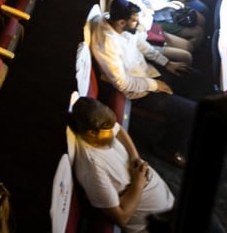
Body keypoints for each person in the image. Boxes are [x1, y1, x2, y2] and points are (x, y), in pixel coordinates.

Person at [90, 0, 194, 162]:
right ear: (121, 22)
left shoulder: (118, 23)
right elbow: (122, 83)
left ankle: (177, 122)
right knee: (191, 111)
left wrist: (166, 63)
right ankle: (167, 148)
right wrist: (155, 85)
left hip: (145, 72)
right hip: (136, 91)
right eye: (135, 20)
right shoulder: (107, 43)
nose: (138, 24)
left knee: (192, 76)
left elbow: (141, 44)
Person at [68, 96, 175, 233]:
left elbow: (118, 130)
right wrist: (138, 183)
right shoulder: (93, 166)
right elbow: (121, 217)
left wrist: (134, 156)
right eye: (108, 131)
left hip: (168, 205)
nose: (112, 133)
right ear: (91, 133)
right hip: (150, 227)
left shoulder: (101, 127)